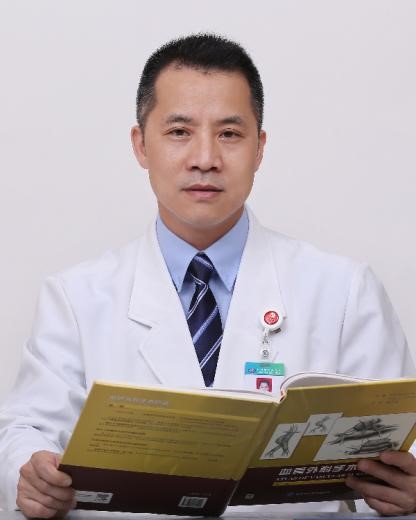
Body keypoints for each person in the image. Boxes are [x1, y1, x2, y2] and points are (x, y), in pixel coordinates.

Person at [0, 33, 415, 518]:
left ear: (259, 148)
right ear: (141, 145)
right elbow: (26, 431)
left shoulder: (344, 290)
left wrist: (409, 490)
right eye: (179, 131)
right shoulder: (75, 297)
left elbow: (402, 438)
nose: (205, 158)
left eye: (229, 134)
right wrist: (30, 472)